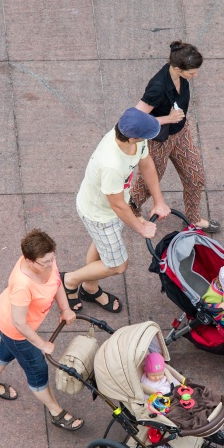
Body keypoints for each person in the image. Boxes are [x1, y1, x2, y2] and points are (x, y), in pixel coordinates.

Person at [61, 108, 171, 313]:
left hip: (110, 209)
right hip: (100, 214)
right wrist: (140, 227)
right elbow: (118, 205)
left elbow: (146, 164)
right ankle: (69, 280)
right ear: (132, 137)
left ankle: (89, 287)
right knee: (118, 265)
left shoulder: (134, 140)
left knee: (101, 243)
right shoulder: (111, 164)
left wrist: (159, 201)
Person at [0, 229, 83, 431]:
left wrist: (65, 308)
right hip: (15, 331)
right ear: (29, 260)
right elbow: (19, 323)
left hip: (10, 323)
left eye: (53, 259)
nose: (51, 265)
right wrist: (42, 344)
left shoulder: (45, 258)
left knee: (6, 350)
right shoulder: (22, 284)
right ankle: (56, 412)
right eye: (46, 262)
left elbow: (56, 281)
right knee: (37, 370)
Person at [129, 40, 220, 233]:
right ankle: (131, 208)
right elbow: (136, 118)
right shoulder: (157, 87)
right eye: (192, 72)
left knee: (195, 177)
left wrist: (176, 121)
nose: (195, 75)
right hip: (157, 141)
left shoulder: (180, 77)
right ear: (177, 68)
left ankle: (193, 219)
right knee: (148, 182)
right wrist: (167, 118)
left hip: (180, 133)